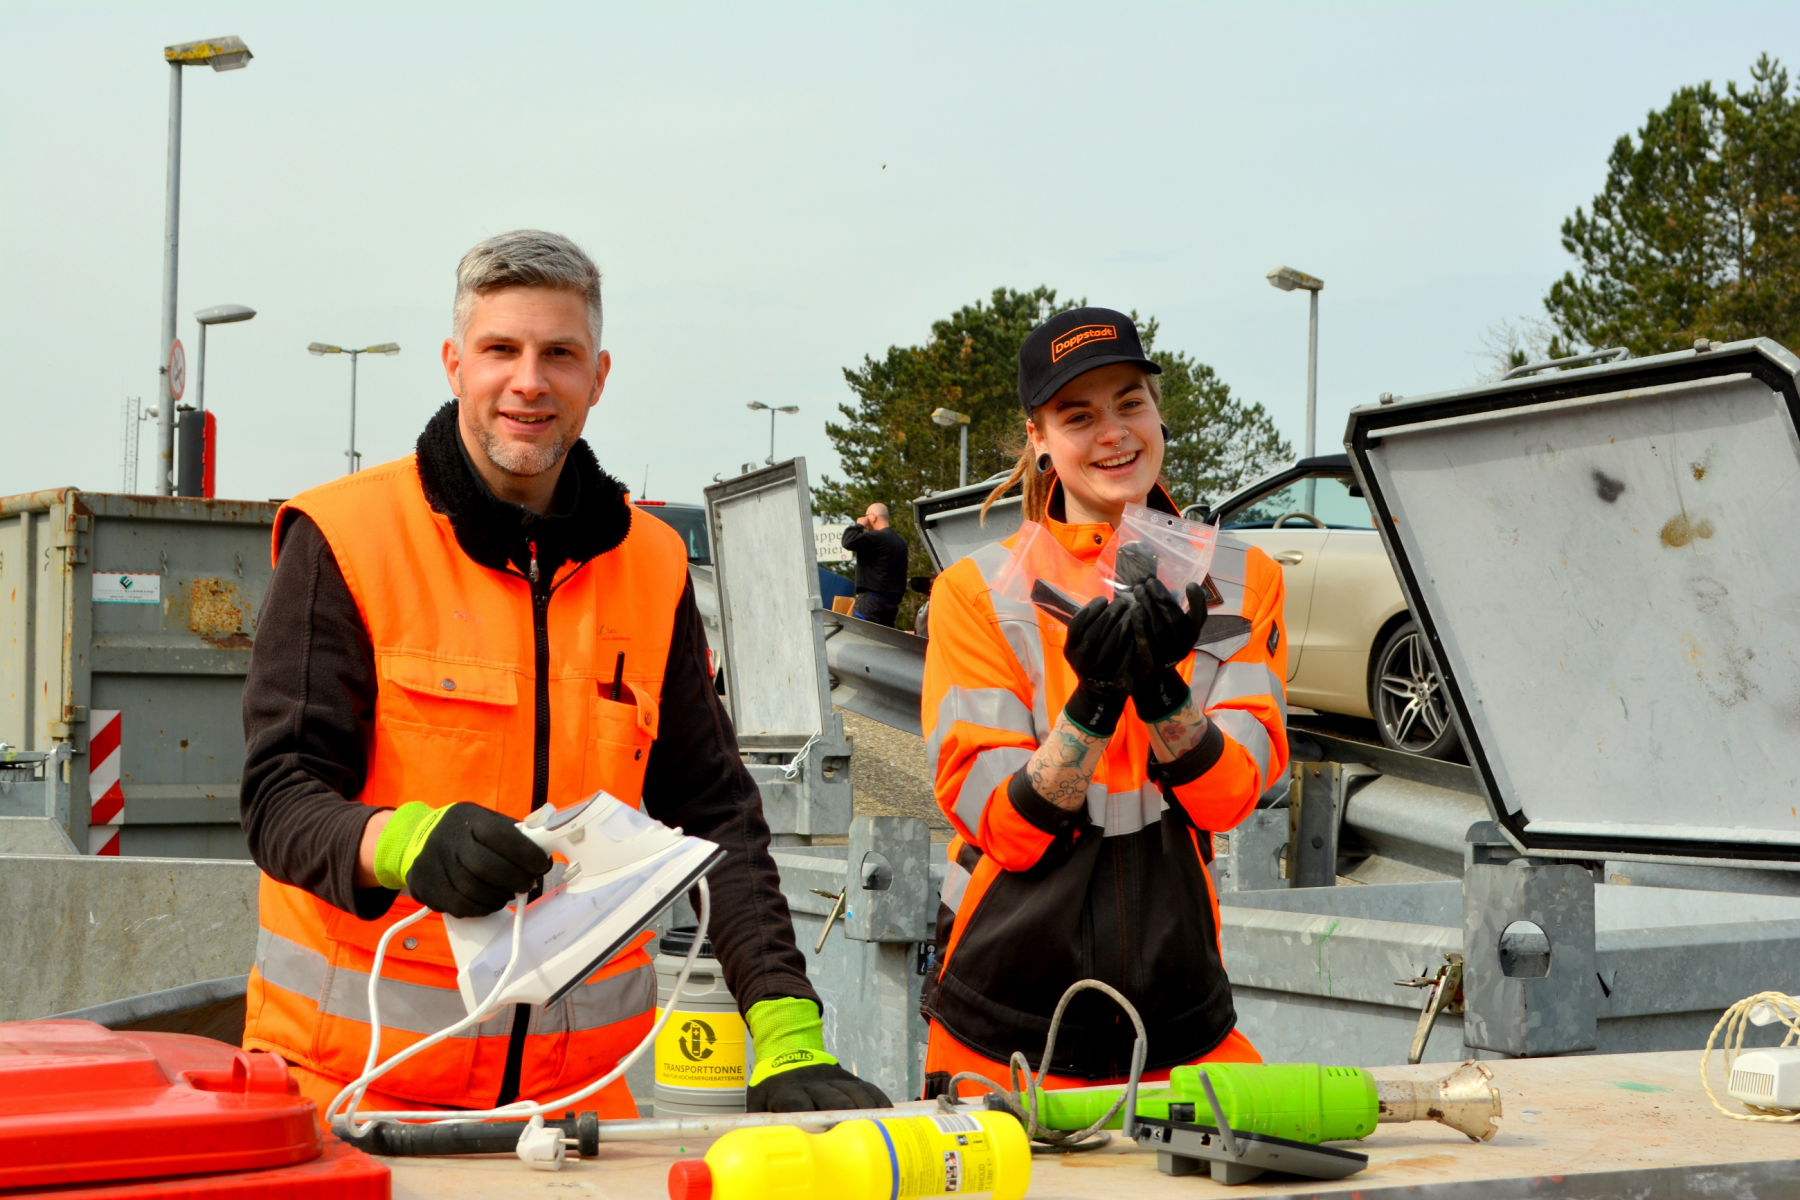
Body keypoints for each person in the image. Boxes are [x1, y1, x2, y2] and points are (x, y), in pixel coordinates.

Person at [239, 230, 888, 1120]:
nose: (529, 381)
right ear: (454, 363)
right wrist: (405, 844)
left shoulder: (654, 565)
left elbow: (717, 816)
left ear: (599, 374)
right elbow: (280, 798)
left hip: (578, 1115)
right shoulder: (346, 539)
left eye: (560, 354)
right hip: (350, 1100)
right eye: (501, 350)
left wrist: (786, 1032)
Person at [918, 307, 1288, 1098]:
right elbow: (1006, 829)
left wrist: (1160, 690)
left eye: (1129, 402)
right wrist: (1094, 702)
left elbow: (1228, 799)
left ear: (1158, 412)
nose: (1113, 432)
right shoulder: (976, 593)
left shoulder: (1240, 576)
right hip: (1002, 1018)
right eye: (1077, 415)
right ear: (1038, 439)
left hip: (1179, 1011)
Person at [840, 503, 909, 627]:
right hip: (891, 603)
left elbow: (848, 541)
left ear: (873, 517)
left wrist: (859, 525)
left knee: (861, 639)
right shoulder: (901, 542)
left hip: (871, 600)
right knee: (882, 643)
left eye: (866, 516)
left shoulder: (878, 537)